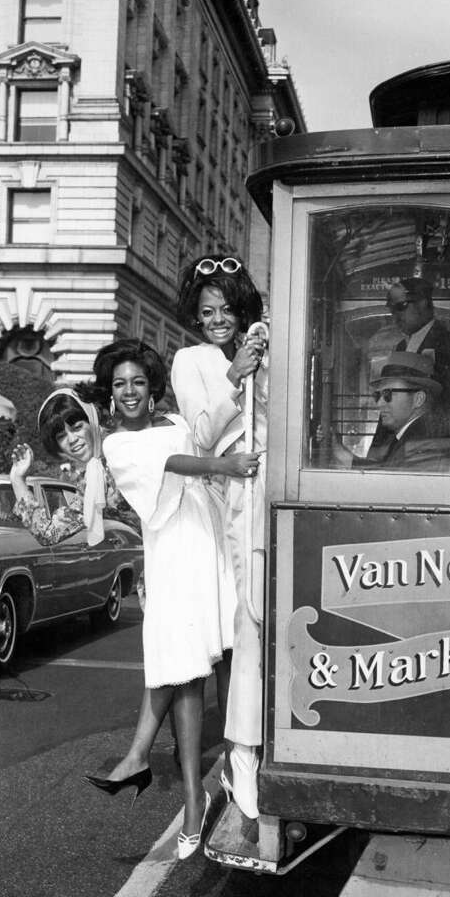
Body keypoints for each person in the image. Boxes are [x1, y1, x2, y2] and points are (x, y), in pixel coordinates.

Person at [87, 338, 261, 860]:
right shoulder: (116, 445)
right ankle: (188, 797)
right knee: (177, 666)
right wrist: (225, 468)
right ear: (110, 395)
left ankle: (212, 773)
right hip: (174, 555)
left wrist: (233, 380)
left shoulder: (174, 422)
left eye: (138, 381)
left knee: (209, 664)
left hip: (209, 542)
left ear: (151, 385)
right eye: (119, 385)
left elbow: (202, 436)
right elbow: (176, 464)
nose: (129, 392)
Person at [172, 253, 267, 820]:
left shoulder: (253, 346)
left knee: (269, 614)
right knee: (250, 616)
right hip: (234, 492)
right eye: (208, 311)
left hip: (271, 484)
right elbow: (202, 438)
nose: (217, 319)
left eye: (226, 309)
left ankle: (257, 745)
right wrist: (234, 377)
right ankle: (241, 756)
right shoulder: (192, 360)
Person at [9, 387, 107, 547]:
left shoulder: (120, 451)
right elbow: (48, 533)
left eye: (77, 427)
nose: (72, 439)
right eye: (61, 436)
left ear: (92, 420)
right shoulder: (93, 478)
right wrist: (17, 479)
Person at [384, 277, 450, 432]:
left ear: (422, 302)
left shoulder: (447, 344)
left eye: (401, 306)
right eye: (392, 309)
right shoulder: (401, 347)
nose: (395, 315)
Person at [361, 351, 450, 468]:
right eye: (378, 395)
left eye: (388, 394)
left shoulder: (421, 445)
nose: (379, 404)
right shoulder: (407, 437)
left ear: (418, 399)